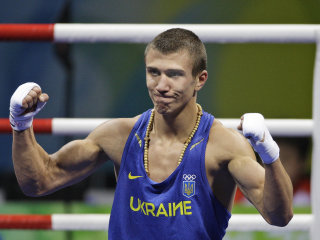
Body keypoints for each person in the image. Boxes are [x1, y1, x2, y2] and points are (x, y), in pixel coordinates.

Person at [10, 28, 293, 240]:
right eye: (153, 72)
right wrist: (21, 125)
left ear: (200, 80)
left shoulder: (224, 146)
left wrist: (269, 154)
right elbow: (40, 181)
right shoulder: (118, 135)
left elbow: (279, 216)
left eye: (174, 74)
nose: (161, 85)